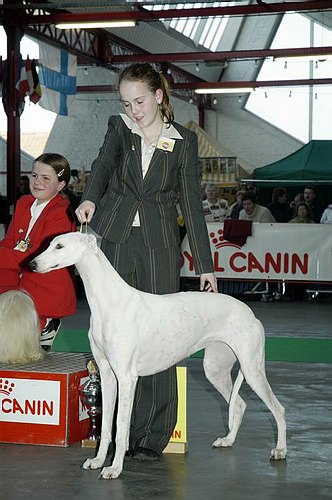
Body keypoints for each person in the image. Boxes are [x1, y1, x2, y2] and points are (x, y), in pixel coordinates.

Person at [75, 63, 217, 462]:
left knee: (161, 338)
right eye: (127, 102)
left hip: (159, 245)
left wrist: (205, 265)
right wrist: (89, 197)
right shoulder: (120, 128)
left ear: (158, 95)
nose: (134, 109)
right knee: (111, 338)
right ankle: (114, 434)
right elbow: (103, 165)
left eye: (139, 101)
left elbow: (191, 204)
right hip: (114, 239)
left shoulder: (184, 142)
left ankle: (152, 436)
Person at [0, 153, 77, 350]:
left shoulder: (62, 212)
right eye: (34, 176)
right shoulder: (24, 202)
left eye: (46, 178)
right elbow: (10, 242)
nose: (37, 182)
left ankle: (46, 322)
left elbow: (36, 257)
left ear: (61, 185)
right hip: (20, 275)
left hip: (44, 282)